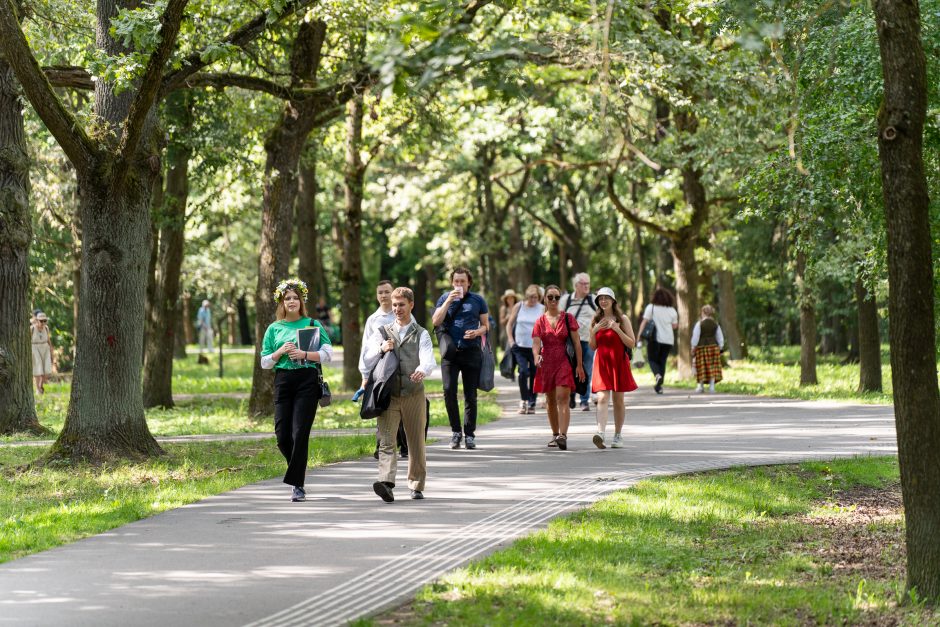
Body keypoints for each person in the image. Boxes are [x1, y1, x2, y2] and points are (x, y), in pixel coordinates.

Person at [259, 278, 333, 502]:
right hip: (283, 381)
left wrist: (304, 355)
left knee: (299, 432)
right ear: (281, 303)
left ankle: (297, 484)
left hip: (307, 380)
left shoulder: (312, 323)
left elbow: (328, 354)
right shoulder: (274, 328)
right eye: (287, 298)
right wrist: (280, 351)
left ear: (301, 301)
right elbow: (264, 362)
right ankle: (298, 471)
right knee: (282, 436)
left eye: (295, 298)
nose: (291, 301)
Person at [362, 287, 436, 502]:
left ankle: (416, 484)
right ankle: (386, 483)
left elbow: (428, 358)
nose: (397, 309)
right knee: (386, 441)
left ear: (411, 305)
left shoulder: (421, 333)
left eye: (401, 304)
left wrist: (423, 370)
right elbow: (367, 358)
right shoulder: (382, 331)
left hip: (414, 394)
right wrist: (381, 348)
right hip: (389, 395)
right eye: (394, 305)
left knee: (416, 442)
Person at [432, 266, 490, 450]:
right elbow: (435, 321)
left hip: (471, 351)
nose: (459, 285)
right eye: (456, 281)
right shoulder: (444, 298)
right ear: (452, 282)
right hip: (450, 353)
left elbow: (486, 326)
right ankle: (456, 432)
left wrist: (477, 332)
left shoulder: (478, 300)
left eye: (462, 281)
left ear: (469, 283)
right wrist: (448, 302)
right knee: (449, 391)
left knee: (470, 395)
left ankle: (470, 434)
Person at [353, 280, 409, 459]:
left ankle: (405, 445)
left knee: (402, 406)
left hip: (401, 368)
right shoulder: (372, 320)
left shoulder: (403, 314)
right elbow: (366, 349)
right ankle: (381, 445)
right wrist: (365, 375)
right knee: (382, 404)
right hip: (381, 369)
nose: (383, 295)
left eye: (387, 292)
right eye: (380, 293)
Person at [532, 285, 585, 451]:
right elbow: (536, 343)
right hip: (546, 363)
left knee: (563, 397)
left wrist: (579, 365)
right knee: (550, 400)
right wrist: (536, 356)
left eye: (556, 297)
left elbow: (577, 343)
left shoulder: (568, 318)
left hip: (564, 361)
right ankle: (555, 435)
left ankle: (563, 435)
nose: (553, 300)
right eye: (550, 297)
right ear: (545, 300)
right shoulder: (540, 321)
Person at [588, 287, 638, 449]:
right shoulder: (595, 320)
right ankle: (600, 433)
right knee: (602, 398)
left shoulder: (622, 319)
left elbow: (631, 343)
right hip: (602, 363)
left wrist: (617, 329)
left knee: (618, 400)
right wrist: (593, 331)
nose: (603, 301)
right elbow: (592, 347)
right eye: (600, 299)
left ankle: (617, 435)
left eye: (606, 298)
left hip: (619, 362)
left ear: (613, 300)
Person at [560, 272, 596, 411]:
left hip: (588, 340)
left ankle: (584, 400)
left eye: (588, 283)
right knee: (569, 369)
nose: (586, 286)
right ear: (576, 285)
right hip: (569, 341)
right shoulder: (566, 300)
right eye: (583, 284)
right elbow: (558, 318)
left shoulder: (593, 300)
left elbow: (601, 316)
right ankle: (572, 394)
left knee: (586, 369)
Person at [506, 284, 544, 414]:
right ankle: (523, 400)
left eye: (536, 297)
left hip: (536, 347)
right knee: (523, 372)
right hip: (520, 346)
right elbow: (509, 324)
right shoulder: (519, 306)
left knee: (534, 374)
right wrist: (511, 340)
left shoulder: (542, 308)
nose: (533, 300)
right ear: (526, 296)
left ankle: (532, 402)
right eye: (531, 297)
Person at [636, 287, 679, 394]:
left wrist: (638, 337)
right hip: (668, 339)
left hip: (654, 339)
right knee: (662, 361)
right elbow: (674, 326)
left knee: (652, 360)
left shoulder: (651, 307)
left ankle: (657, 375)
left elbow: (644, 322)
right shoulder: (672, 310)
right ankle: (659, 386)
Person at [691, 304, 725, 393]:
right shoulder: (715, 324)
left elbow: (696, 336)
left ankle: (700, 386)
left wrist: (693, 347)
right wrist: (721, 347)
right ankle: (712, 387)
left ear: (703, 313)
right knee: (712, 366)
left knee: (701, 366)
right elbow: (720, 336)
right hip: (713, 347)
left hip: (702, 348)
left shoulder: (700, 324)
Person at [31, 312, 55, 396]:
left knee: (46, 369)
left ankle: (40, 386)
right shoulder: (32, 329)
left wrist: (52, 352)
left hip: (45, 348)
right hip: (35, 348)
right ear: (37, 320)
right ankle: (38, 390)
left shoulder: (46, 328)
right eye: (41, 321)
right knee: (37, 369)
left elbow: (48, 340)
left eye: (45, 321)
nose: (43, 323)